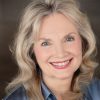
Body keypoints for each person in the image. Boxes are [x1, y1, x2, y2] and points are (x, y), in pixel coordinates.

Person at [3, 0, 100, 100]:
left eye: (69, 39)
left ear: (83, 42)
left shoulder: (97, 90)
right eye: (45, 43)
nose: (60, 53)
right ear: (31, 51)